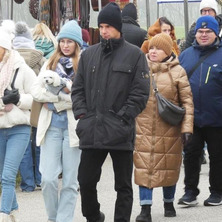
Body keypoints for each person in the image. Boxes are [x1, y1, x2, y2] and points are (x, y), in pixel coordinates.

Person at [71, 2, 150, 222]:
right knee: (85, 181)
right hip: (92, 130)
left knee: (123, 185)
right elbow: (77, 90)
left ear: (118, 27)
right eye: (101, 26)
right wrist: (83, 116)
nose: (104, 30)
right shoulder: (89, 55)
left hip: (120, 131)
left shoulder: (135, 55)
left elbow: (141, 93)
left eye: (108, 26)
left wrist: (123, 117)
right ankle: (94, 216)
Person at [134, 33, 194, 222]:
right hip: (142, 128)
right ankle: (145, 209)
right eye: (151, 47)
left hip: (170, 128)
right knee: (144, 168)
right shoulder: (140, 69)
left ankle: (169, 202)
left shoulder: (178, 72)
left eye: (158, 48)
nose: (153, 51)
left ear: (168, 51)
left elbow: (187, 102)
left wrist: (187, 129)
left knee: (169, 167)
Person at [31, 20, 82, 222]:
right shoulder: (49, 63)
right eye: (62, 41)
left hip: (73, 129)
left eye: (70, 42)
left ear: (77, 44)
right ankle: (53, 218)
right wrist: (61, 96)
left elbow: (80, 98)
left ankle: (64, 220)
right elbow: (36, 91)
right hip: (50, 127)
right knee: (48, 179)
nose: (65, 45)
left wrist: (54, 100)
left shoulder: (83, 66)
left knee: (70, 182)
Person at [178, 15, 222, 207]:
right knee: (191, 154)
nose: (204, 35)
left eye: (208, 32)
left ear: (216, 33)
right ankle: (190, 191)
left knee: (218, 156)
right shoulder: (186, 55)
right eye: (200, 32)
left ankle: (217, 192)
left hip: (217, 117)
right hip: (191, 117)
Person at [0, 20, 36, 222]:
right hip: (0, 129)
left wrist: (19, 99)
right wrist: (3, 102)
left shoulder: (21, 69)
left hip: (19, 129)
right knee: (1, 176)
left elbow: (37, 97)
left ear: (4, 48)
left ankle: (3, 215)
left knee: (7, 176)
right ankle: (12, 209)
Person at [13, 21, 45, 192]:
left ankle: (27, 183)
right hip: (37, 105)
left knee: (24, 145)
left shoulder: (10, 58)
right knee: (38, 141)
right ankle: (40, 179)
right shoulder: (39, 58)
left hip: (17, 105)